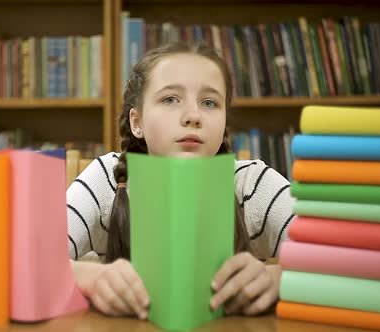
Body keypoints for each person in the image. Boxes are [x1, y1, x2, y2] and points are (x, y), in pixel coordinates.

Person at [66, 42, 295, 320]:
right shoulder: (107, 179)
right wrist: (89, 277)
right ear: (136, 122)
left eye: (209, 102)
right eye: (170, 99)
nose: (193, 117)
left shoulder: (253, 184)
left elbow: (349, 262)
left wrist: (278, 277)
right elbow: (25, 263)